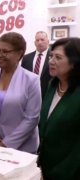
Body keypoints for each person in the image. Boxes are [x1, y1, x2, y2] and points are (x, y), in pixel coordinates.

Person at [0, 32, 41, 153]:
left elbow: (31, 118)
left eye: (5, 52)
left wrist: (7, 144)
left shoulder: (32, 80)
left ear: (19, 54)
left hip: (22, 148)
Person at [38, 37, 80, 179]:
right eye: (51, 56)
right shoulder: (53, 85)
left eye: (58, 57)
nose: (51, 61)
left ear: (74, 63)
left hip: (71, 170)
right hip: (48, 166)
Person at [21, 31, 52, 98]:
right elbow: (22, 77)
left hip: (47, 95)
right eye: (37, 40)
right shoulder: (26, 58)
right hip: (28, 94)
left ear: (48, 41)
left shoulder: (54, 57)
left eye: (42, 40)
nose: (39, 42)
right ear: (35, 43)